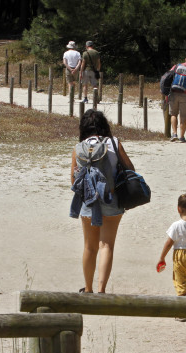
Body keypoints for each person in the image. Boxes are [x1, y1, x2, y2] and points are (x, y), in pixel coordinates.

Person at [70, 110, 135, 294]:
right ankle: (101, 289)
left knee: (90, 247)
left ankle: (88, 289)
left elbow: (73, 181)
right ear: (104, 125)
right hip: (112, 198)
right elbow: (130, 169)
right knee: (106, 245)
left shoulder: (79, 147)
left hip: (88, 201)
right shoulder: (114, 143)